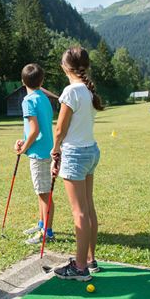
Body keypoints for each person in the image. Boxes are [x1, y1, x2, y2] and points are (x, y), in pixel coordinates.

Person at [51, 47, 104, 281]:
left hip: (75, 155)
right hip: (90, 151)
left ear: (65, 67)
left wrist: (55, 150)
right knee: (88, 208)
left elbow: (60, 129)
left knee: (79, 212)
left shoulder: (71, 91)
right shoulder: (88, 91)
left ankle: (80, 267)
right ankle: (90, 260)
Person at [13, 63, 55, 245]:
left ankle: (47, 232)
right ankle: (41, 224)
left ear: (23, 81)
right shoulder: (44, 98)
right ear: (42, 80)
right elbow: (36, 129)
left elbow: (35, 130)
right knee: (41, 192)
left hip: (40, 154)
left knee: (44, 193)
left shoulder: (28, 101)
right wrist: (24, 141)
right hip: (45, 150)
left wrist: (24, 148)